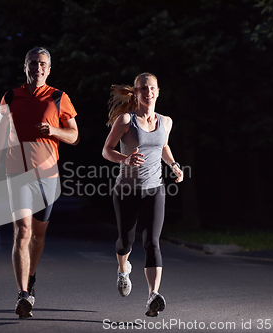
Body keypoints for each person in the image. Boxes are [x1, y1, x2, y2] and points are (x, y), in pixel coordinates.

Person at [0, 47, 79, 319]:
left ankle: (32, 275)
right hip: (17, 173)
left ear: (48, 69)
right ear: (24, 67)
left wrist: (54, 131)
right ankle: (23, 293)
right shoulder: (10, 96)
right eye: (32, 63)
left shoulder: (59, 97)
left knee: (38, 235)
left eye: (42, 64)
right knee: (22, 231)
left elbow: (74, 136)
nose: (37, 67)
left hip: (48, 176)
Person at [102, 72, 183, 317]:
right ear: (136, 93)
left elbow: (163, 145)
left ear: (158, 92)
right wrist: (125, 158)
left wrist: (174, 164)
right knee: (126, 242)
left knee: (152, 242)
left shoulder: (166, 122)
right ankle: (123, 270)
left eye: (152, 88)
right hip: (126, 190)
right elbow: (106, 150)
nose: (148, 92)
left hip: (154, 189)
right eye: (143, 88)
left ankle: (152, 296)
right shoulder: (126, 120)